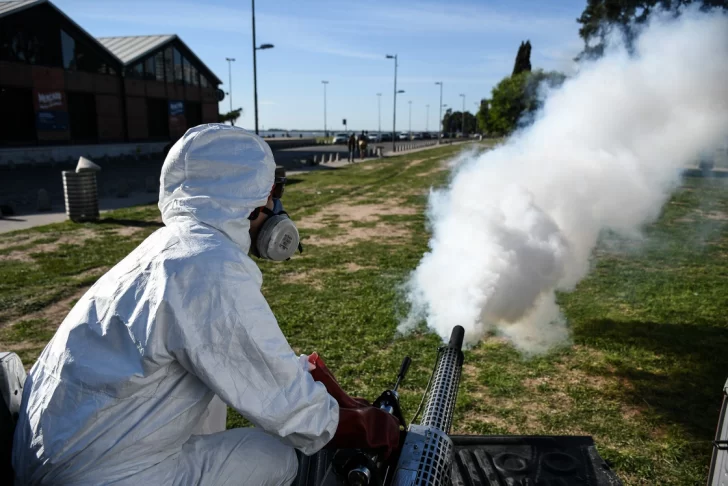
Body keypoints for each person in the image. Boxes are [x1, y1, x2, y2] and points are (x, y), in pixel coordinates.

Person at [12, 124, 349, 485]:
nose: (275, 206)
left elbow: (230, 356)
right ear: (249, 203)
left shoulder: (165, 247)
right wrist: (355, 424)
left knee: (208, 387)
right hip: (102, 475)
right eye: (272, 192)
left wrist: (297, 373)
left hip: (43, 458)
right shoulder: (209, 266)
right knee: (277, 456)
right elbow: (291, 409)